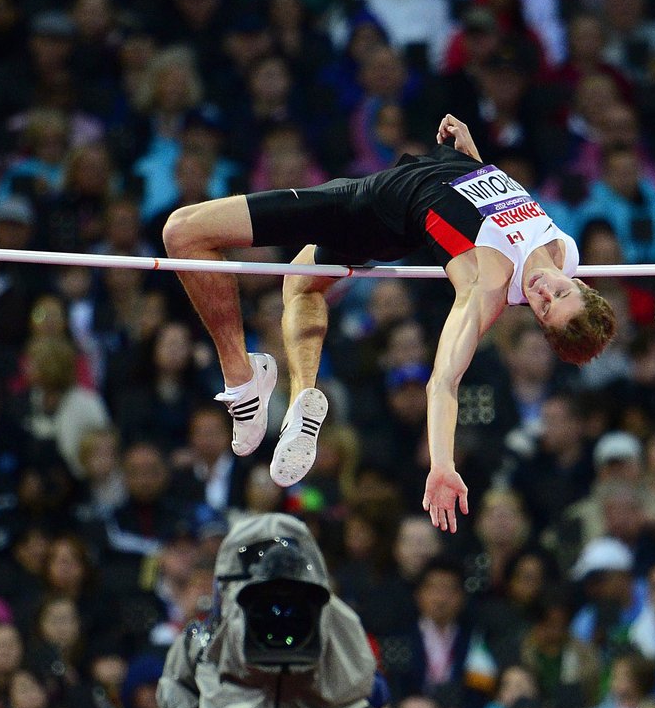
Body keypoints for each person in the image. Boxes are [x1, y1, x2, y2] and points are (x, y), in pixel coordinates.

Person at [163, 112, 616, 531]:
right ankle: (302, 395)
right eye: (560, 291)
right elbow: (488, 209)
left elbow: (443, 383)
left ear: (534, 319)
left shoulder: (487, 286)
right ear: (582, 285)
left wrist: (442, 464)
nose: (543, 289)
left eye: (543, 307)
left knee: (183, 232)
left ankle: (243, 380)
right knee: (302, 282)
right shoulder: (565, 251)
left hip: (372, 206)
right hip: (430, 176)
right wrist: (472, 160)